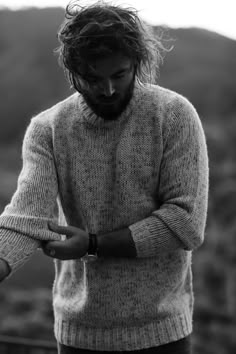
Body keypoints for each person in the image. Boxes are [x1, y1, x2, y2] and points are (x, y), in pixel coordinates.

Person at [0, 1, 209, 353]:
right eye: (93, 78)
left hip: (162, 331)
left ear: (138, 64)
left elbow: (185, 222)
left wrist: (94, 244)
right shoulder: (48, 129)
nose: (108, 90)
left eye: (119, 75)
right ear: (73, 72)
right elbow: (27, 216)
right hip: (79, 332)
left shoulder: (173, 115)